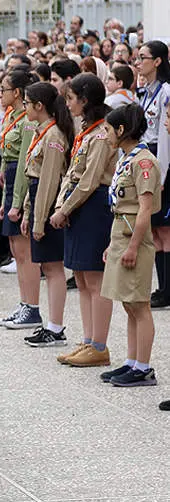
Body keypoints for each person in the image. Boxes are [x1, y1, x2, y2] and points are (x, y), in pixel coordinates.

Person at [50, 74, 117, 368]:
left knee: (95, 278)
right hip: (78, 204)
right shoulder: (86, 130)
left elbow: (90, 181)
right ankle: (89, 340)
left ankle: (100, 344)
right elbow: (71, 173)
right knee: (79, 274)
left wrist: (65, 209)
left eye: (71, 98)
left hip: (93, 206)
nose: (67, 104)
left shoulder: (102, 134)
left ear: (85, 100)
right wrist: (61, 204)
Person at [99, 104, 161, 387]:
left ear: (122, 130)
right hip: (120, 234)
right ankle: (132, 361)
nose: (106, 133)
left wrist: (134, 247)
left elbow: (145, 209)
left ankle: (144, 367)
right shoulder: (126, 158)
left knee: (139, 304)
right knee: (128, 302)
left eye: (109, 129)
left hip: (134, 236)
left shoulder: (144, 162)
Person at [20, 82, 75, 347]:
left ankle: (55, 326)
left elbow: (50, 181)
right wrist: (28, 213)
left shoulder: (53, 135)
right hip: (38, 198)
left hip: (49, 202)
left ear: (39, 106)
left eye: (27, 103)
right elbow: (34, 180)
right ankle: (51, 324)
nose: (24, 107)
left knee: (53, 268)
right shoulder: (42, 131)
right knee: (47, 266)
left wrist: (39, 219)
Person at [0, 70, 42, 330]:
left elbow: (25, 160)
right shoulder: (12, 115)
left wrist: (17, 201)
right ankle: (24, 303)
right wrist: (5, 199)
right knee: (15, 248)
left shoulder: (27, 120)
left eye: (4, 89)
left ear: (17, 93)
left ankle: (32, 307)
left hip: (20, 180)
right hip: (10, 178)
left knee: (25, 252)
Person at [133, 41, 170, 309]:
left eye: (143, 57)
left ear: (157, 61)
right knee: (155, 231)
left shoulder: (166, 92)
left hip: (161, 158)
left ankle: (168, 289)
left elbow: (165, 136)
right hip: (145, 154)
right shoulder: (144, 91)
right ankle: (161, 287)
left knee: (166, 231)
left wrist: (164, 175)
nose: (139, 62)